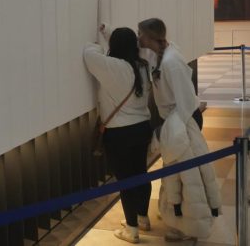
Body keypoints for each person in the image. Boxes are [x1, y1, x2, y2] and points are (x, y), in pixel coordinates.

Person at [137, 18, 221, 242]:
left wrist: (170, 130)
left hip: (182, 123)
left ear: (151, 36)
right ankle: (176, 217)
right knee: (174, 175)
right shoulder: (160, 54)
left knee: (188, 179)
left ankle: (187, 228)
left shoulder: (171, 61)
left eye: (141, 34)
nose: (139, 38)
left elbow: (185, 103)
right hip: (175, 124)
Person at [83, 27, 152, 244]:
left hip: (120, 133)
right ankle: (142, 218)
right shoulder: (142, 65)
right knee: (141, 173)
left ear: (115, 46)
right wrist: (109, 34)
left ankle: (131, 229)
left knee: (125, 181)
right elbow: (123, 45)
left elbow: (88, 54)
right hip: (142, 128)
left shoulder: (113, 66)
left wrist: (98, 40)